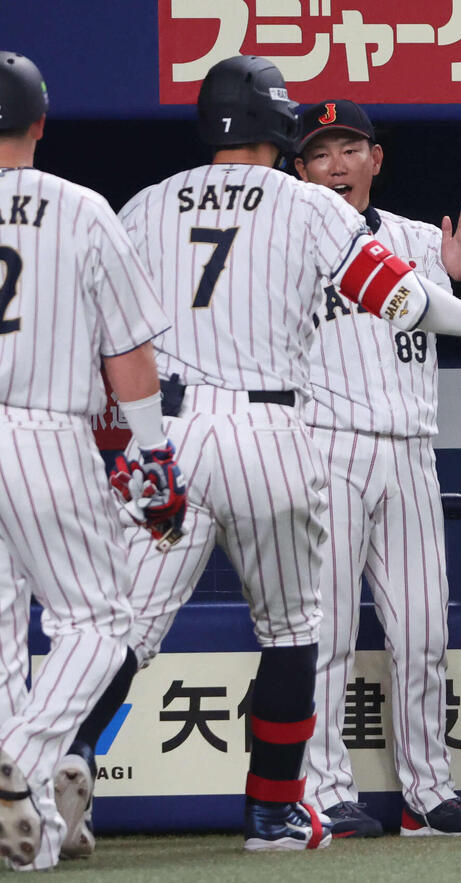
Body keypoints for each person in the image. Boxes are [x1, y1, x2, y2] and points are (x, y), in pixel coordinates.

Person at [58, 55, 461, 854]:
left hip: (175, 429)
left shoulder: (144, 205)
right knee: (293, 631)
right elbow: (401, 298)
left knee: (123, 627)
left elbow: (104, 329)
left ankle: (60, 762)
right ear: (279, 128)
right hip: (272, 434)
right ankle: (275, 814)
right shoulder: (305, 205)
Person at [292, 98, 461, 837]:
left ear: (375, 159)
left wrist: (460, 280)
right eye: (320, 153)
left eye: (350, 147)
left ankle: (427, 793)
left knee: (421, 630)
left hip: (411, 449)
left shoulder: (420, 239)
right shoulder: (286, 243)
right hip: (326, 444)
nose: (337, 164)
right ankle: (323, 789)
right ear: (299, 169)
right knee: (331, 632)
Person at [0, 51, 185, 869]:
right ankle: (23, 754)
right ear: (40, 122)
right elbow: (130, 355)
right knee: (102, 621)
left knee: (3, 632)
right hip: (41, 434)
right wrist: (154, 456)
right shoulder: (78, 208)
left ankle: (30, 826)